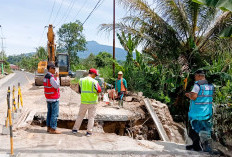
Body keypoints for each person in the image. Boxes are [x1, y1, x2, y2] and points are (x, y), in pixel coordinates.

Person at [185, 70, 214, 152]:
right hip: (207, 112)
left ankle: (196, 147)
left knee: (193, 130)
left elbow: (194, 97)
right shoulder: (210, 85)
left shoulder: (197, 85)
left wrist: (188, 95)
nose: (195, 78)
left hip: (197, 113)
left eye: (195, 76)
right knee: (205, 130)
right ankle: (205, 148)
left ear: (198, 76)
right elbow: (204, 95)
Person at [72, 68, 101, 136]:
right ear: (93, 74)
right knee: (91, 117)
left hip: (84, 101)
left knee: (80, 115)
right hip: (92, 102)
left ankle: (75, 129)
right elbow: (99, 90)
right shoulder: (94, 82)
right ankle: (89, 132)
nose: (95, 76)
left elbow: (79, 90)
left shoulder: (81, 80)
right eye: (95, 75)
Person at [43, 62, 61, 134]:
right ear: (50, 69)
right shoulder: (51, 77)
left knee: (49, 113)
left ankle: (49, 127)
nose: (54, 70)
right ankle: (53, 128)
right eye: (54, 69)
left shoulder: (45, 76)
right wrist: (57, 77)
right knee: (54, 114)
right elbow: (56, 86)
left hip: (48, 97)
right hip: (54, 98)